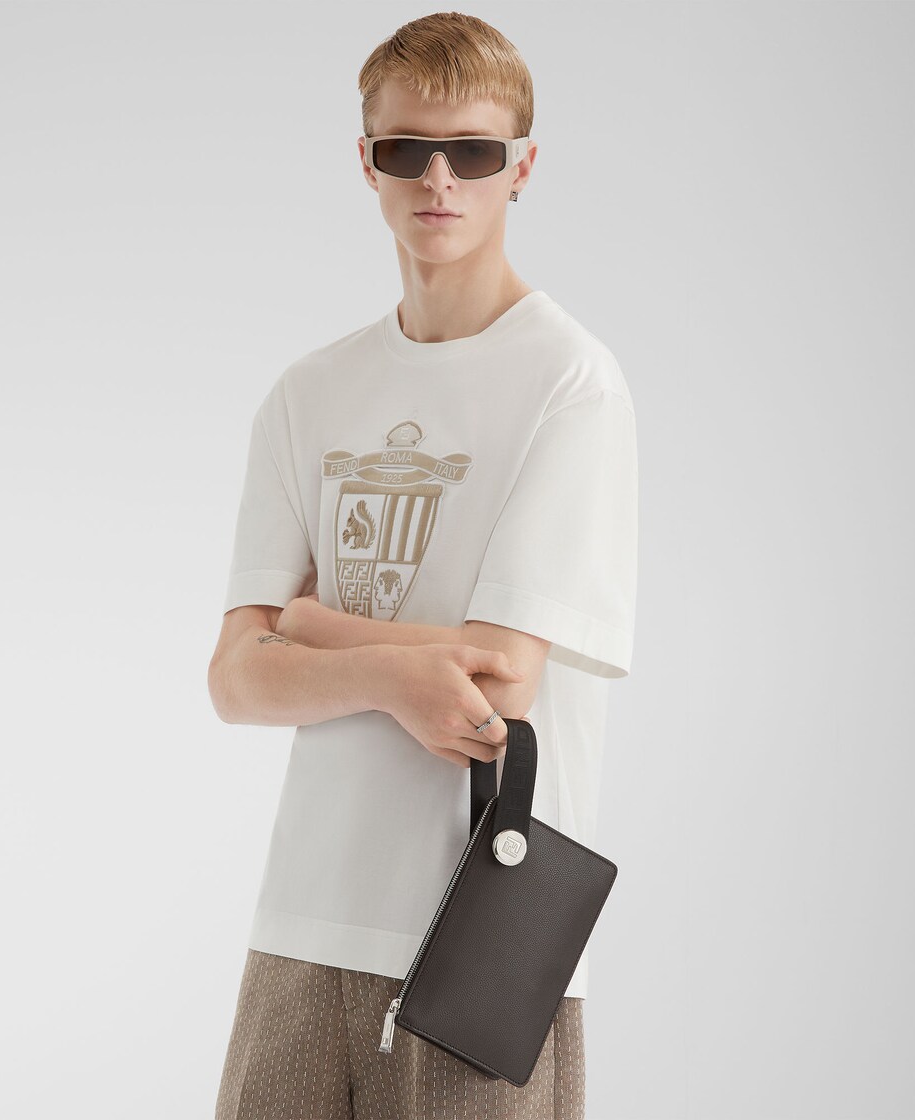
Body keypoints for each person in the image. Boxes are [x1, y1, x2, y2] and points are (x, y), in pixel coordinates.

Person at [207, 11, 638, 1119]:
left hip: (480, 935)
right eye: (408, 149)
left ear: (521, 167)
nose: (439, 179)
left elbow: (496, 685)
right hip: (302, 922)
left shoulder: (570, 383)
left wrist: (313, 630)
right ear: (369, 161)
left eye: (474, 152)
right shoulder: (308, 393)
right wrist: (398, 672)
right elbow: (234, 678)